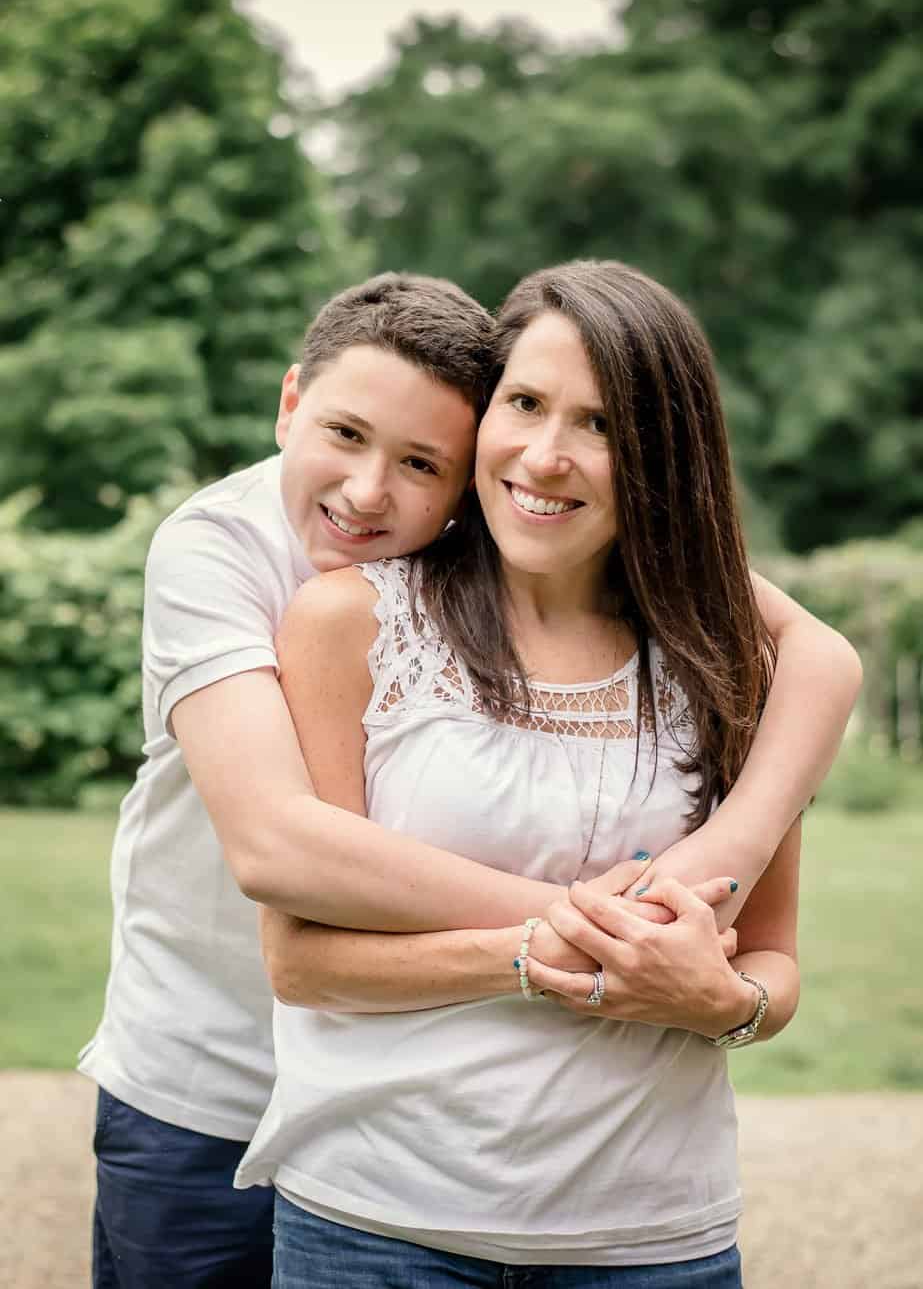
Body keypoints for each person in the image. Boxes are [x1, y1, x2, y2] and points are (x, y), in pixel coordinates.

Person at [81, 270, 859, 1289]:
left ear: (455, 476)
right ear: (288, 404)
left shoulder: (613, 581)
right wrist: (599, 937)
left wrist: (727, 862)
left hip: (586, 1193)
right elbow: (276, 849)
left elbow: (810, 650)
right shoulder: (226, 553)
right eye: (345, 435)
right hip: (209, 1075)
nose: (369, 492)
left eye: (419, 462)